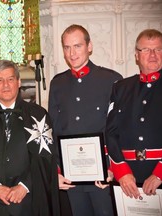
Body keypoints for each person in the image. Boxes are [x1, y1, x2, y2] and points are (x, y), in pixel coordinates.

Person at [106, 29, 162, 215]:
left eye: (157, 49)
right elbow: (110, 132)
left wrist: (161, 173)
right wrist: (121, 171)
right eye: (145, 50)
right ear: (137, 55)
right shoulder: (120, 88)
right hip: (128, 180)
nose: (152, 55)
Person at [0, 60, 60, 216]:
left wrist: (24, 186)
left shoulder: (38, 115)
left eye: (10, 79)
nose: (5, 85)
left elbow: (46, 158)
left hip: (28, 201)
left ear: (19, 82)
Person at [48, 24, 123, 216]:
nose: (72, 53)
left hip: (103, 175)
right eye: (67, 47)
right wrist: (57, 169)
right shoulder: (57, 83)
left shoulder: (112, 80)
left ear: (89, 46)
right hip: (71, 176)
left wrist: (114, 168)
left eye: (77, 46)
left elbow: (118, 130)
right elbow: (54, 130)